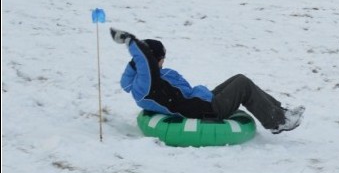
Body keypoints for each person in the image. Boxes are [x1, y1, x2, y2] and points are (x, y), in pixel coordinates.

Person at [111, 28, 303, 134]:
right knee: (243, 84)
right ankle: (278, 122)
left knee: (238, 78)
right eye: (162, 57)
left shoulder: (143, 81)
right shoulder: (147, 84)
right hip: (204, 110)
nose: (164, 61)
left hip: (201, 101)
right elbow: (145, 61)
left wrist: (135, 60)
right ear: (154, 60)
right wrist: (131, 41)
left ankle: (281, 112)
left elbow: (137, 68)